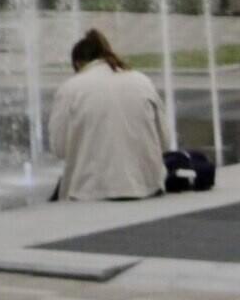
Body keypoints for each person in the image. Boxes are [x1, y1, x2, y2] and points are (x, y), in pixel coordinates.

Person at [50, 29, 169, 201]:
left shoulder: (70, 88)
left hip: (89, 192)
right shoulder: (142, 81)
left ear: (77, 64)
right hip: (149, 187)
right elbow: (164, 141)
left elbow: (59, 148)